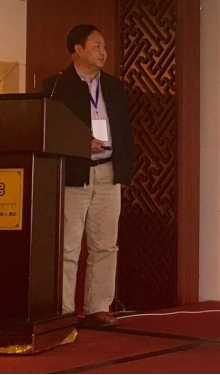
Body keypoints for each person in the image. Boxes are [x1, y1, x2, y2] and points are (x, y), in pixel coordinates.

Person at [42, 24, 135, 328]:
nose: (103, 52)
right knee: (68, 246)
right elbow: (49, 129)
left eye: (104, 46)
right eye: (96, 46)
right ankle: (63, 311)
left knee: (106, 245)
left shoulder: (113, 86)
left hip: (108, 172)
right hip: (74, 174)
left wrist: (125, 168)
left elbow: (124, 129)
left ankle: (98, 307)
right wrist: (80, 143)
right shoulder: (57, 85)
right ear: (77, 49)